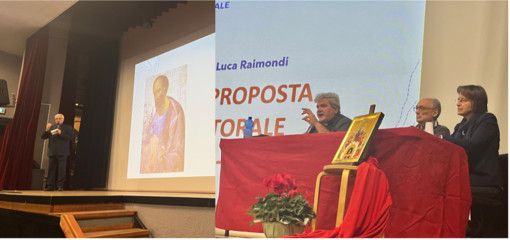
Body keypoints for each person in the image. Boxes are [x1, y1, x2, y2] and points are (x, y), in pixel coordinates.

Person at [443, 85, 501, 237]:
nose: (458, 103)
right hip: (466, 176)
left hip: (482, 178)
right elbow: (451, 150)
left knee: (442, 187)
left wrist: (442, 138)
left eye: (463, 100)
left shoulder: (487, 120)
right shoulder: (460, 125)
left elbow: (474, 145)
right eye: (458, 99)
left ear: (476, 102)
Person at [141, 75, 185, 173]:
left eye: (158, 92)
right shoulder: (155, 112)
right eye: (154, 93)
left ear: (164, 90)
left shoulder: (176, 112)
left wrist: (164, 160)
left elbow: (179, 149)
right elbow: (149, 137)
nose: (156, 97)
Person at [41, 113, 73, 191]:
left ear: (63, 119)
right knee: (51, 169)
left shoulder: (68, 128)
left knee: (61, 170)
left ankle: (60, 186)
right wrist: (47, 130)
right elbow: (43, 137)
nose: (58, 120)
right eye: (56, 119)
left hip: (62, 152)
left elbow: (71, 138)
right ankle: (50, 186)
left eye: (60, 118)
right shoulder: (52, 127)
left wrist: (61, 133)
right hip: (52, 152)